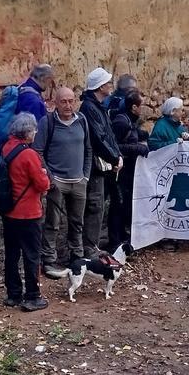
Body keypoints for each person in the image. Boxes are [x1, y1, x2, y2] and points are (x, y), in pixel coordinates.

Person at [35, 86, 92, 279]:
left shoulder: (82, 120)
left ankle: (76, 257)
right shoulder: (47, 122)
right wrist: (51, 179)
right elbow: (38, 151)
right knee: (53, 223)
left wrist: (85, 176)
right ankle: (49, 260)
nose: (68, 105)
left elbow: (88, 149)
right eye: (63, 102)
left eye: (71, 101)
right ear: (55, 103)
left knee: (77, 222)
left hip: (79, 181)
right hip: (57, 182)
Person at [1, 113, 52, 311]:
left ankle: (13, 294)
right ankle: (32, 296)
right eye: (34, 130)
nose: (36, 133)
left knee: (11, 254)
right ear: (28, 132)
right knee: (31, 255)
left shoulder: (7, 147)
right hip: (29, 212)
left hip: (9, 211)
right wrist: (44, 175)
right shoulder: (29, 154)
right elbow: (42, 184)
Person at [80, 67, 123, 258]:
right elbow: (99, 138)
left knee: (98, 205)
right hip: (96, 167)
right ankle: (89, 248)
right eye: (107, 83)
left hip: (103, 164)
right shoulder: (90, 108)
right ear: (100, 86)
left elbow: (108, 135)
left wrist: (116, 154)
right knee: (95, 205)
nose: (110, 85)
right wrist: (114, 157)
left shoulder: (98, 107)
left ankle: (92, 245)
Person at [109, 89, 149, 246]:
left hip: (128, 170)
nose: (143, 109)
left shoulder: (129, 121)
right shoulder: (121, 122)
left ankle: (122, 234)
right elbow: (114, 146)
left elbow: (132, 134)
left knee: (126, 203)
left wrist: (143, 135)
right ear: (134, 107)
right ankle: (115, 240)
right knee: (117, 204)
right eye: (141, 105)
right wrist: (137, 148)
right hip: (119, 171)